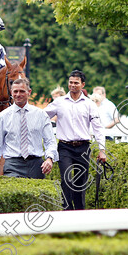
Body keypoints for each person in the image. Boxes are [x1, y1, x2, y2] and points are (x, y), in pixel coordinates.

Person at [44, 69, 107, 210]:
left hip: (83, 148)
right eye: (70, 82)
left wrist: (102, 150)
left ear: (82, 85)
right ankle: (67, 210)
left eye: (76, 83)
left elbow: (98, 127)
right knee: (66, 180)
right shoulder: (59, 102)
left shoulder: (89, 104)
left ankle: (79, 211)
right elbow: (42, 116)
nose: (72, 85)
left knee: (80, 183)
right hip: (65, 147)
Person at [0, 78, 57, 178]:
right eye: (15, 91)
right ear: (11, 92)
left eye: (22, 91)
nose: (18, 94)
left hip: (36, 165)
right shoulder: (2, 117)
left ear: (29, 92)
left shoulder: (41, 115)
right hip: (12, 165)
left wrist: (50, 158)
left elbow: (50, 140)